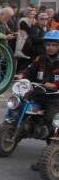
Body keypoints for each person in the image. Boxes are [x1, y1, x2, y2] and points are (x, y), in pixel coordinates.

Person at [15, 30, 59, 158]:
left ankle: (52, 150)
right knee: (18, 106)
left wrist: (55, 85)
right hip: (38, 92)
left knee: (52, 120)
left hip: (54, 97)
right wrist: (21, 75)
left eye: (54, 45)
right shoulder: (41, 58)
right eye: (48, 44)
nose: (50, 47)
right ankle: (18, 129)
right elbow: (30, 69)